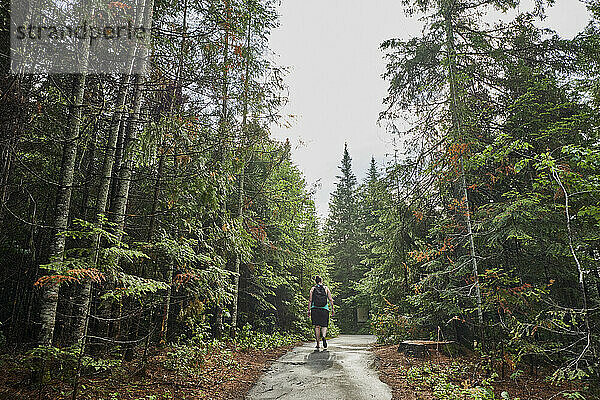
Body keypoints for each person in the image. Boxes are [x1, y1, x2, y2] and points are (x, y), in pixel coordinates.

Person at [307, 275, 334, 349]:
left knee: (317, 326)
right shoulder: (326, 288)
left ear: (315, 281)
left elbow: (310, 300)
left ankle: (318, 344)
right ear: (321, 281)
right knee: (324, 325)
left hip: (315, 309)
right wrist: (332, 309)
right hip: (324, 309)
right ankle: (324, 337)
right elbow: (330, 299)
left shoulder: (313, 289)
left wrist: (309, 310)